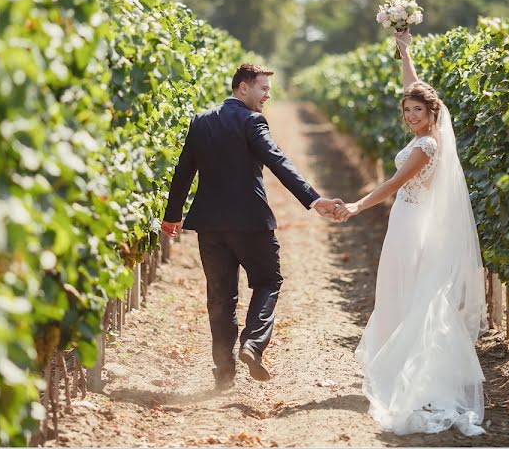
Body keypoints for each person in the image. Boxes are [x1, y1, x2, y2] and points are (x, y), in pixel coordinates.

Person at [334, 29, 488, 436]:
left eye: (416, 110)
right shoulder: (426, 135)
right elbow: (413, 88)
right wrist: (405, 53)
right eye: (406, 111)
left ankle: (406, 370)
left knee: (403, 291)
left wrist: (356, 206)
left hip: (410, 224)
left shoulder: (427, 148)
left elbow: (394, 184)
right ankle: (400, 364)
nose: (410, 116)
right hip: (405, 221)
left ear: (432, 112)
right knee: (397, 289)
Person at [161, 63, 344, 391]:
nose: (267, 95)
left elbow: (183, 171)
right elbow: (278, 161)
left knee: (220, 298)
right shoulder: (252, 121)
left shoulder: (201, 121)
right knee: (268, 281)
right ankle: (253, 344)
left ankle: (224, 371)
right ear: (242, 88)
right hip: (250, 223)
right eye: (262, 88)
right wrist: (314, 200)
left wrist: (172, 215)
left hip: (210, 226)